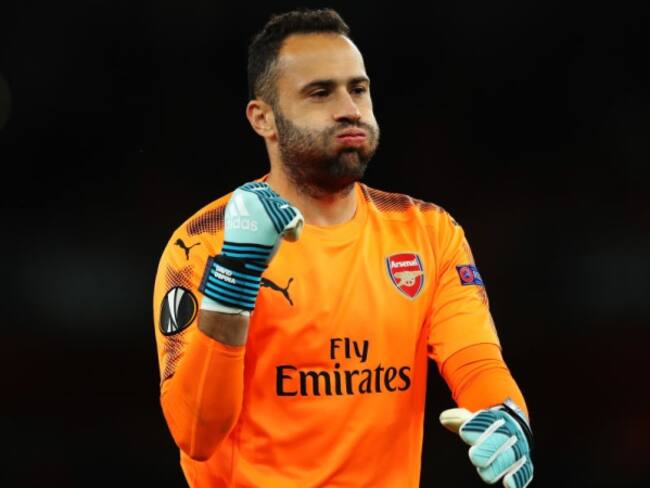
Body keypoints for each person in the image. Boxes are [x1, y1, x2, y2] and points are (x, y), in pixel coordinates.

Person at [153, 8, 534, 488]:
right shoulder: (204, 242)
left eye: (358, 89)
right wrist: (237, 275)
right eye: (320, 92)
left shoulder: (428, 233)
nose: (349, 108)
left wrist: (507, 416)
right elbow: (195, 434)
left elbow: (477, 364)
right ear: (263, 118)